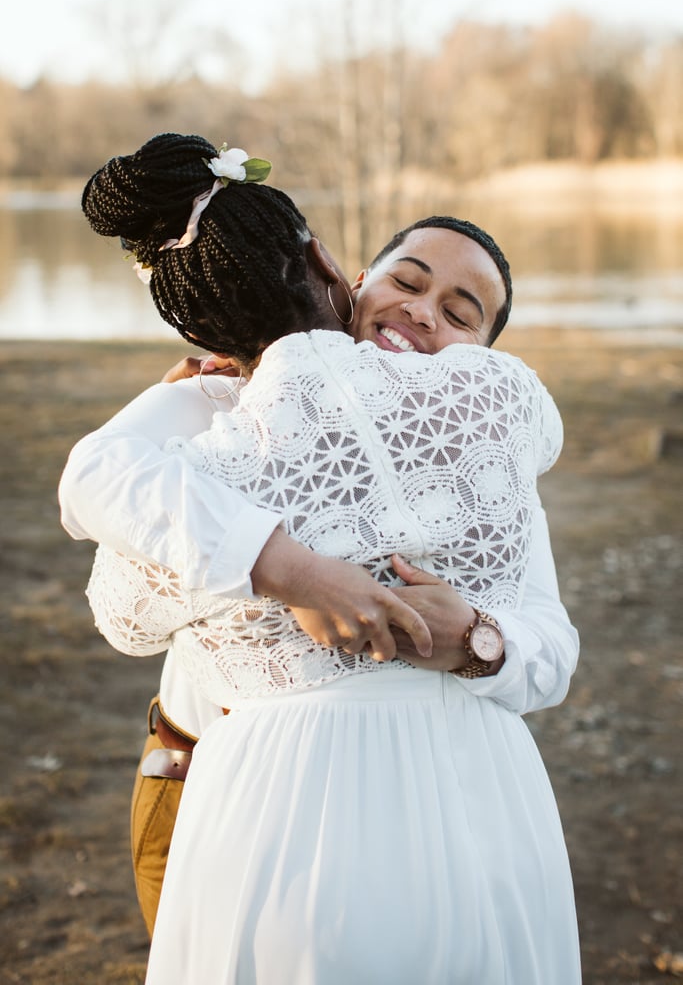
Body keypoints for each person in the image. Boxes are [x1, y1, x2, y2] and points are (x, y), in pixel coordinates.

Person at [61, 132, 581, 983]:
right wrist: (287, 564)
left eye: (460, 312)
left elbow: (549, 654)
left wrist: (478, 639)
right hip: (223, 773)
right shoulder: (209, 398)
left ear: (482, 355)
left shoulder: (480, 461)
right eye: (408, 282)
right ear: (347, 276)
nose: (422, 311)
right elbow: (94, 482)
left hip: (461, 795)